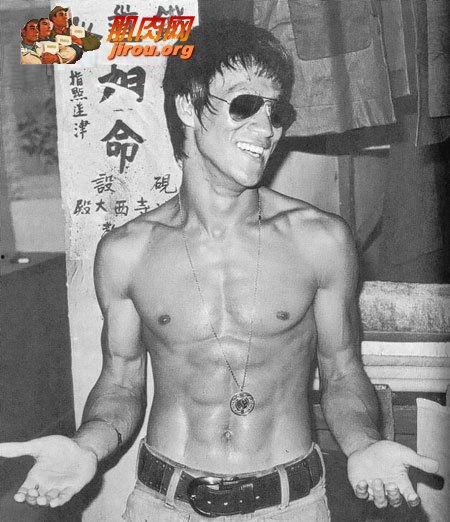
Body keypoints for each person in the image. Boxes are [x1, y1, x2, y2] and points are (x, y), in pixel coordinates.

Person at [1, 20, 440, 520]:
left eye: (277, 112)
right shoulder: (126, 253)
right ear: (188, 106)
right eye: (244, 105)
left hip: (289, 506)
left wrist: (363, 443)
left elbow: (342, 371)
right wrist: (86, 446)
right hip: (163, 505)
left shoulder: (320, 240)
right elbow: (120, 384)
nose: (266, 129)